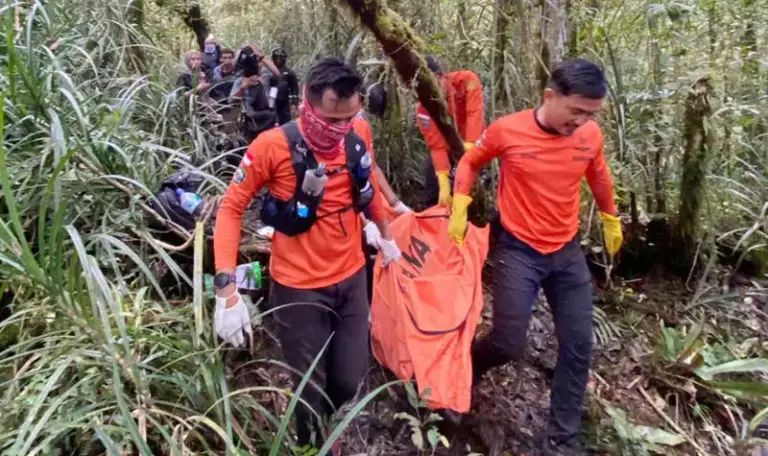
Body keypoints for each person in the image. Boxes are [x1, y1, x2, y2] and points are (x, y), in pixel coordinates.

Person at [212, 57, 401, 453]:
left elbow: (365, 188)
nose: (339, 129)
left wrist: (384, 232)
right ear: (307, 105)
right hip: (298, 287)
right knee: (307, 389)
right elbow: (231, 209)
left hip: (350, 277)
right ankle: (310, 444)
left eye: (349, 118)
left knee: (349, 379)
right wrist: (227, 289)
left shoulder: (356, 134)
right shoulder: (271, 146)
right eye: (332, 119)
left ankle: (324, 423)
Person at [447, 58, 624, 455]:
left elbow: (597, 173)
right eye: (576, 110)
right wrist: (460, 199)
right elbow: (472, 159)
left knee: (579, 345)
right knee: (508, 343)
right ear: (550, 96)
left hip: (566, 252)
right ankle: (464, 373)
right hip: (518, 250)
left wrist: (611, 215)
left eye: (591, 113)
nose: (581, 120)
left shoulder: (590, 135)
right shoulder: (509, 130)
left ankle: (561, 440)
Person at [415, 55, 485, 208]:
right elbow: (436, 145)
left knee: (471, 191)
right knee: (433, 190)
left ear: (441, 76)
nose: (432, 93)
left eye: (434, 85)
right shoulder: (423, 107)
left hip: (470, 144)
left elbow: (474, 114)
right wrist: (442, 177)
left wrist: (469, 147)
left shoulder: (466, 81)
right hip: (445, 148)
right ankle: (434, 223)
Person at [229, 45, 282, 147]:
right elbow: (231, 101)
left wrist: (261, 57)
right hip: (250, 122)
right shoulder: (240, 81)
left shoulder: (265, 76)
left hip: (269, 119)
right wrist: (243, 88)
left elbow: (277, 74)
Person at [266, 47, 300, 125]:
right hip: (271, 99)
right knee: (271, 119)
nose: (278, 59)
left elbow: (294, 87)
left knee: (285, 120)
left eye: (280, 57)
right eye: (276, 57)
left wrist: (294, 103)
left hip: (284, 100)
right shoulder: (268, 71)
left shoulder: (289, 72)